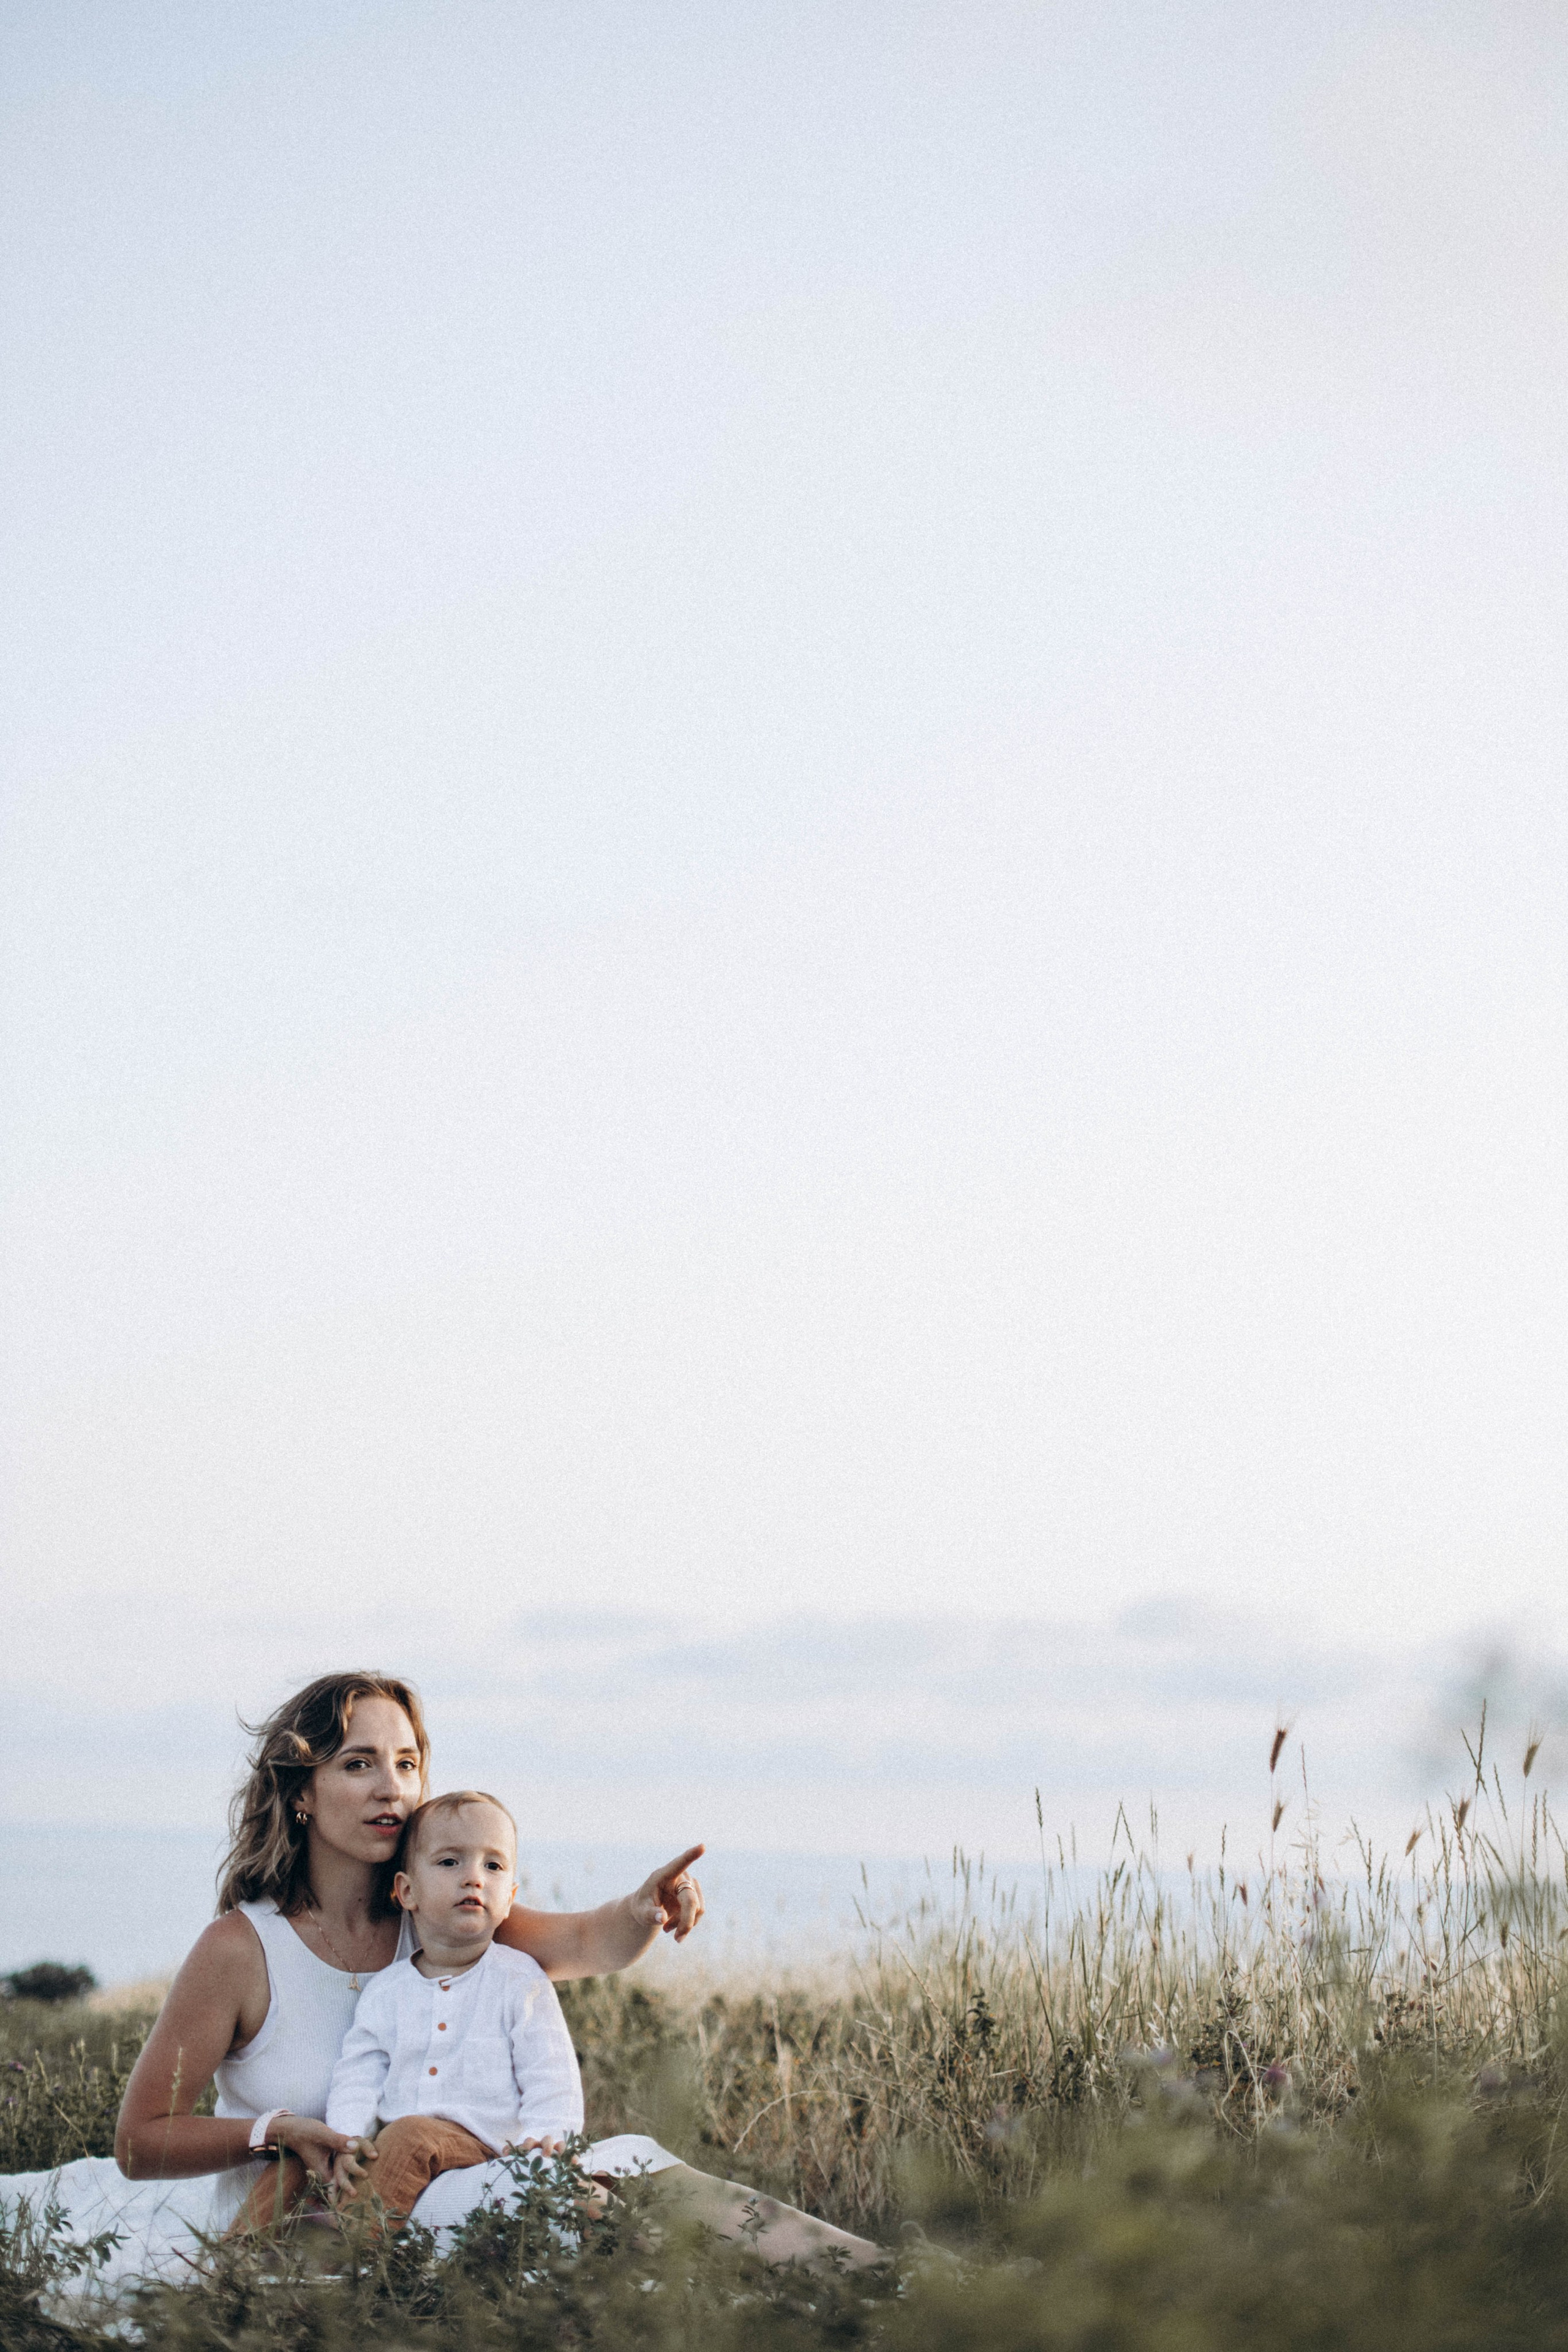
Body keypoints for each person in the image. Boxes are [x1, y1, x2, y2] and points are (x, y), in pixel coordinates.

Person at [0, 1670, 881, 2294]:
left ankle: (894, 2279)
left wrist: (649, 1908)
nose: (393, 1787)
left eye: (408, 1763)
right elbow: (139, 2142)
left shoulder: (440, 1923)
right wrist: (281, 2132)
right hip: (308, 2233)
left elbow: (583, 1941)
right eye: (358, 1763)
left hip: (462, 2184)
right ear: (302, 1790)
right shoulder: (240, 1949)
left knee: (648, 2167)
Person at [240, 1787, 585, 2230]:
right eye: (449, 1862)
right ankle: (234, 2264)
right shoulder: (388, 1989)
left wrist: (548, 2138)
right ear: (407, 1891)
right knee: (297, 2158)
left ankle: (351, 2255)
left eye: (493, 1865)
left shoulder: (519, 1979)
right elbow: (359, 2073)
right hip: (396, 2145)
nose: (474, 1877)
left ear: (510, 1895)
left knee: (411, 2135)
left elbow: (550, 2071)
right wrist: (345, 2141)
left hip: (484, 2144)